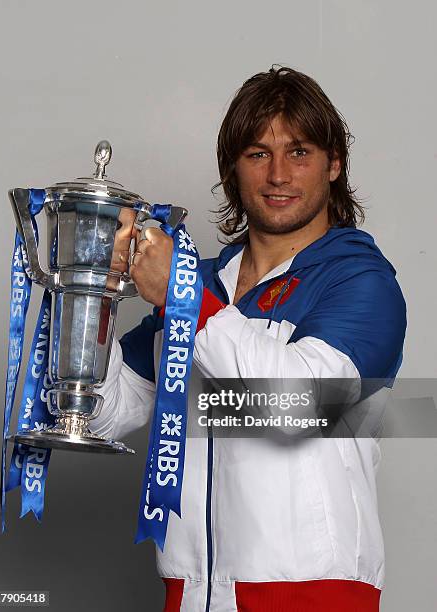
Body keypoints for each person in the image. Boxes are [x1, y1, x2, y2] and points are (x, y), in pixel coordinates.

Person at [92, 66, 406, 611]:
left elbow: (293, 409)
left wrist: (181, 299)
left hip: (313, 593)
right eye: (258, 153)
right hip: (192, 593)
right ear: (232, 169)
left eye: (300, 152)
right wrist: (89, 293)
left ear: (334, 165)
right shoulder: (202, 282)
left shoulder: (361, 281)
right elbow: (105, 413)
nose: (278, 174)